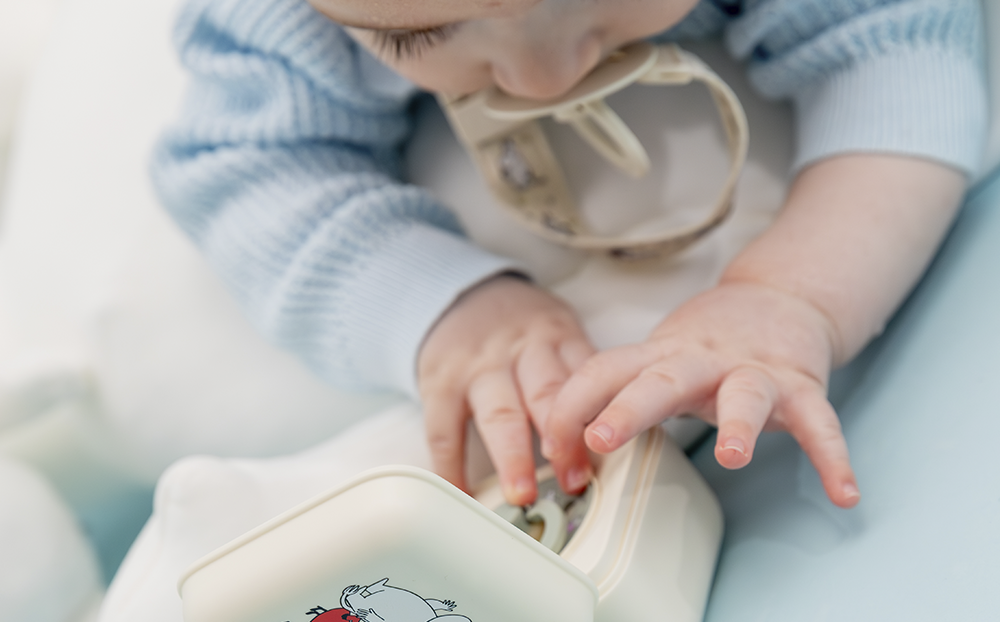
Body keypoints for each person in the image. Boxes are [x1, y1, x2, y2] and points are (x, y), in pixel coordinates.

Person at [153, 0, 987, 510]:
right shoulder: (271, 22)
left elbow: (896, 47)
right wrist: (444, 309)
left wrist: (790, 293)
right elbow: (248, 177)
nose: (543, 77)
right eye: (420, 34)